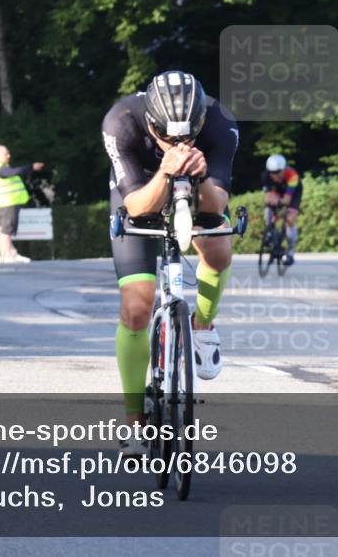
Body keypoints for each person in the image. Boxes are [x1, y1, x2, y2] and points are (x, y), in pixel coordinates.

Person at [101, 70, 238, 456]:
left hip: (198, 185)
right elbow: (137, 207)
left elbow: (217, 205)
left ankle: (203, 325)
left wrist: (201, 172)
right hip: (140, 188)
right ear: (150, 122)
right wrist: (165, 168)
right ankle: (134, 424)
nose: (178, 144)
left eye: (188, 137)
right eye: (167, 137)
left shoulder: (220, 121)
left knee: (219, 250)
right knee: (137, 305)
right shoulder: (121, 121)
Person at [0, 144, 44, 264]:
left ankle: (8, 253)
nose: (9, 156)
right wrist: (31, 167)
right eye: (5, 154)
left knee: (2, 230)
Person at [261, 154, 303, 265]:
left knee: (290, 219)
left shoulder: (292, 176)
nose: (275, 176)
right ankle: (270, 233)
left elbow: (287, 200)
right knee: (268, 210)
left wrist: (280, 202)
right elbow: (267, 198)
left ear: (284, 169)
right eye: (272, 173)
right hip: (277, 191)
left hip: (293, 194)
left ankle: (290, 252)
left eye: (278, 172)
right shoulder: (266, 176)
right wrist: (272, 203)